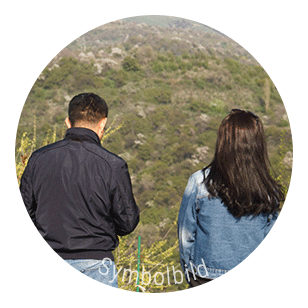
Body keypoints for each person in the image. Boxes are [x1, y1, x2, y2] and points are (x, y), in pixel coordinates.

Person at [20, 92, 140, 287]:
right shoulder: (113, 165)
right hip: (96, 265)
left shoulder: (38, 159)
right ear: (103, 123)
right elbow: (127, 222)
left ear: (68, 122)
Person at [177, 109, 285, 287]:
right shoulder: (268, 190)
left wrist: (190, 272)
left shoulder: (199, 182)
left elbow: (185, 235)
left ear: (222, 143)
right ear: (257, 145)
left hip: (204, 275)